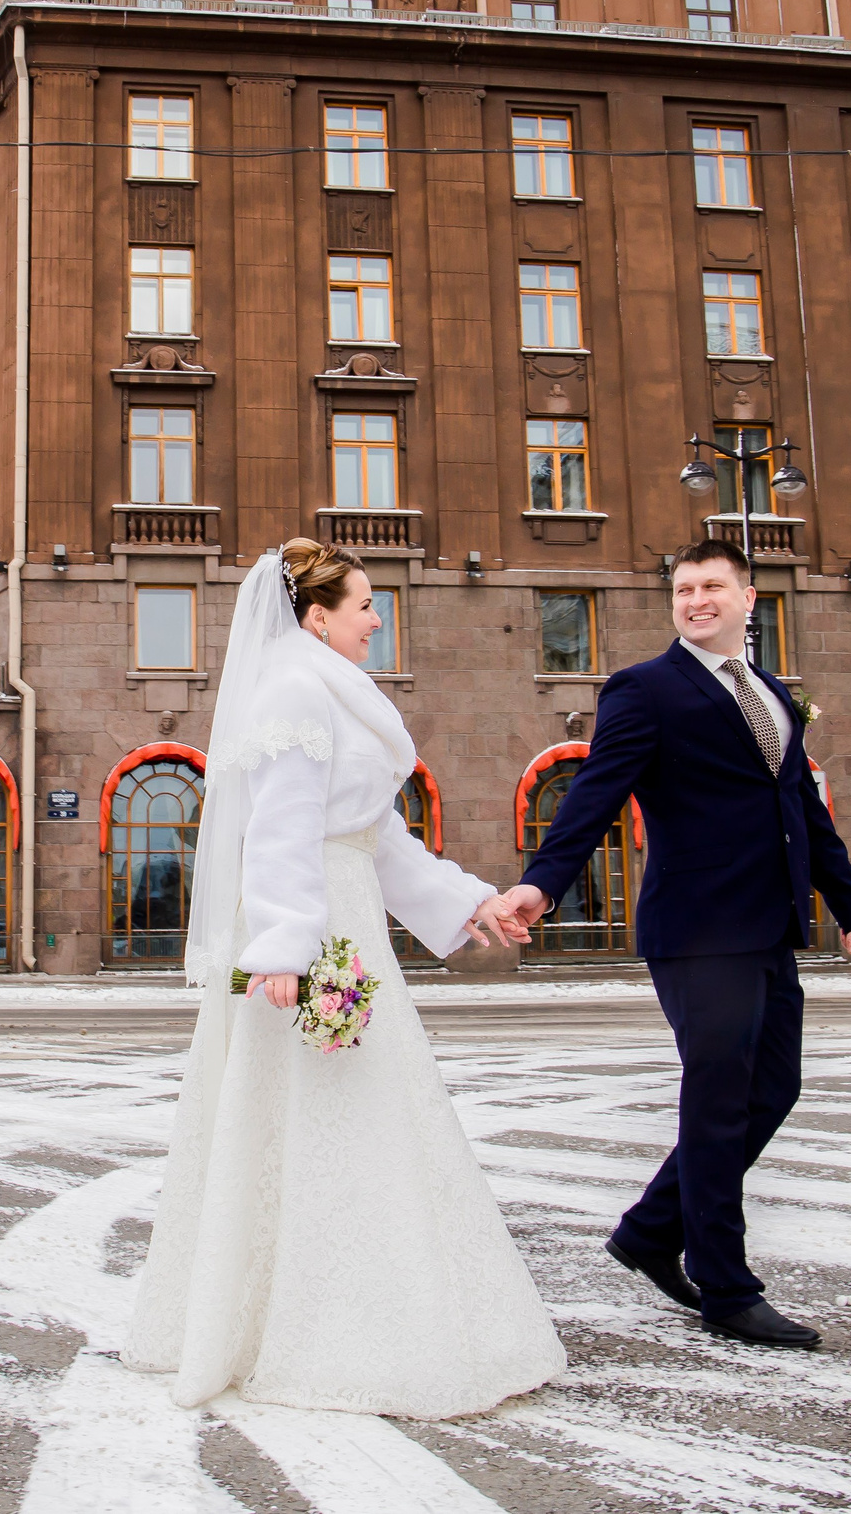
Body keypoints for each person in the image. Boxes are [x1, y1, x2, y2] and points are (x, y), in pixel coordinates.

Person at [124, 541, 562, 1418]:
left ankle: (367, 1313)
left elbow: (377, 837)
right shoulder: (294, 689)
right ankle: (308, 1330)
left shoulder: (328, 691)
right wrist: (283, 948)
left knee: (359, 1112)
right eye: (364, 604)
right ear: (317, 614)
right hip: (314, 927)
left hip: (346, 909)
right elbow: (280, 831)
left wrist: (472, 902)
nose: (375, 618)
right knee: (318, 1109)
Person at [502, 538, 851, 1349]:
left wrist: (848, 902)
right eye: (682, 589)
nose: (695, 599)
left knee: (774, 1090)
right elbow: (595, 794)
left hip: (770, 925)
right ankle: (725, 1284)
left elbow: (802, 810)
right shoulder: (646, 689)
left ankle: (647, 1232)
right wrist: (544, 881)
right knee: (716, 1106)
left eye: (711, 586)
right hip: (698, 930)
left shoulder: (772, 693)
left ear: (749, 597)